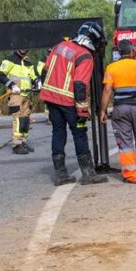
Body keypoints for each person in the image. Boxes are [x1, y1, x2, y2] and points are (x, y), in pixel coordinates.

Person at [39, 21, 108, 186]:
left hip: (51, 99)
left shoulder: (59, 46)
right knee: (79, 134)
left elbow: (45, 71)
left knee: (58, 132)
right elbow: (79, 85)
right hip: (69, 101)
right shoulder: (85, 55)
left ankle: (61, 175)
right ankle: (88, 174)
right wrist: (83, 111)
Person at [99, 39, 136, 184]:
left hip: (121, 109)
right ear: (131, 50)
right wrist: (135, 55)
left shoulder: (111, 68)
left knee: (125, 142)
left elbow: (107, 90)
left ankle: (131, 176)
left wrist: (102, 111)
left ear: (118, 52)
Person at [0, 49, 42, 154]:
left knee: (25, 119)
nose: (23, 49)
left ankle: (23, 141)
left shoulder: (28, 62)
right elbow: (0, 75)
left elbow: (33, 76)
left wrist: (37, 81)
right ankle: (16, 144)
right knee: (17, 118)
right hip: (15, 95)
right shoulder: (9, 60)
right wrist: (12, 85)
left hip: (27, 94)